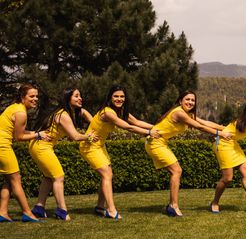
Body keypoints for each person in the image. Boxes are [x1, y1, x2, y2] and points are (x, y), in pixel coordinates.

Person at [79, 85, 160, 220]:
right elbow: (128, 127)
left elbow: (136, 122)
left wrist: (157, 127)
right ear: (110, 97)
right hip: (89, 146)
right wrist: (149, 132)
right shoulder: (108, 112)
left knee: (107, 175)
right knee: (107, 174)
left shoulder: (120, 110)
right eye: (116, 96)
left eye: (122, 96)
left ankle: (100, 207)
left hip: (100, 146)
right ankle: (111, 210)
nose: (119, 99)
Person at [145, 90, 231, 217]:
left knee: (175, 171)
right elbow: (199, 127)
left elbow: (204, 123)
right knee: (176, 171)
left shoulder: (187, 114)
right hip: (155, 143)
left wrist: (224, 128)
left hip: (161, 143)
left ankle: (171, 205)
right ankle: (173, 206)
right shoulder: (179, 113)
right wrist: (220, 134)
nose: (190, 102)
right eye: (187, 99)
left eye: (193, 100)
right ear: (180, 101)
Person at [30, 88, 98, 221]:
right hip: (42, 147)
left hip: (38, 146)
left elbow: (86, 115)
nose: (80, 98)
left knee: (48, 177)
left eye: (80, 96)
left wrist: (89, 119)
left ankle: (39, 207)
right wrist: (89, 137)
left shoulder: (66, 112)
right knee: (58, 176)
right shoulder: (64, 115)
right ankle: (62, 210)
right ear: (68, 98)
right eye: (76, 96)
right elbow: (75, 136)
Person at [0, 84, 51, 223]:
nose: (35, 99)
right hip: (2, 146)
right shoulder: (21, 113)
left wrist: (37, 133)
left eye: (36, 96)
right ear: (23, 97)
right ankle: (27, 213)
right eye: (31, 96)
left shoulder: (15, 107)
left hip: (2, 145)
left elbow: (19, 133)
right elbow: (19, 137)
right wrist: (38, 135)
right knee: (16, 180)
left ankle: (3, 212)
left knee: (9, 181)